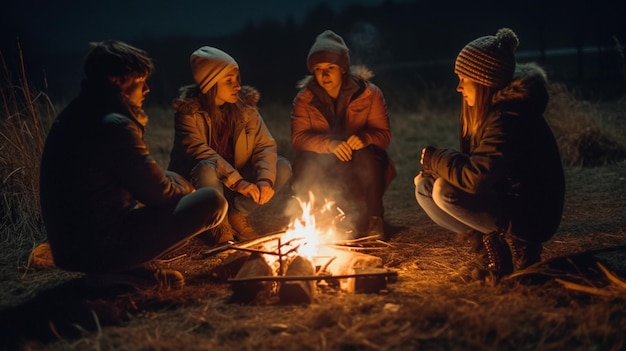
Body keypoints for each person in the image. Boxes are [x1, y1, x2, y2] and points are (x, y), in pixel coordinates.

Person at [39, 40, 228, 290]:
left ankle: (127, 267)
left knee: (173, 178)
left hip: (74, 245)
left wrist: (173, 182)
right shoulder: (114, 125)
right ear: (117, 80)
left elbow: (141, 180)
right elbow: (160, 194)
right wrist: (187, 188)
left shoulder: (76, 114)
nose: (147, 89)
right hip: (101, 245)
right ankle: (114, 271)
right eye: (140, 81)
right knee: (212, 202)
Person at [414, 28, 565, 284]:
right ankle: (491, 253)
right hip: (508, 199)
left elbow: (476, 177)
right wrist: (435, 167)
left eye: (464, 79)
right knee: (424, 187)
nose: (458, 87)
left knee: (443, 191)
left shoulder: (508, 118)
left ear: (483, 80)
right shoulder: (487, 112)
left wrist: (435, 158)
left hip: (533, 214)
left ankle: (524, 250)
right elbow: (482, 167)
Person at [168, 46, 291, 244]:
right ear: (210, 85)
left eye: (236, 79)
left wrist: (265, 181)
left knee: (281, 166)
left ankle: (237, 214)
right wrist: (239, 182)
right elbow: (200, 151)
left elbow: (264, 146)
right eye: (229, 81)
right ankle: (220, 225)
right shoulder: (188, 114)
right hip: (200, 186)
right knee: (206, 169)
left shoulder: (246, 110)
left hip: (237, 185)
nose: (237, 86)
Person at [290, 30, 396, 240]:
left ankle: (375, 219)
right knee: (303, 163)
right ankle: (317, 218)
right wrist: (329, 145)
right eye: (318, 69)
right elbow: (299, 138)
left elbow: (383, 135)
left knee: (369, 156)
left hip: (360, 163)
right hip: (324, 162)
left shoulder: (368, 93)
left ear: (343, 69)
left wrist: (365, 138)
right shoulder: (305, 99)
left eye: (330, 68)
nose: (324, 75)